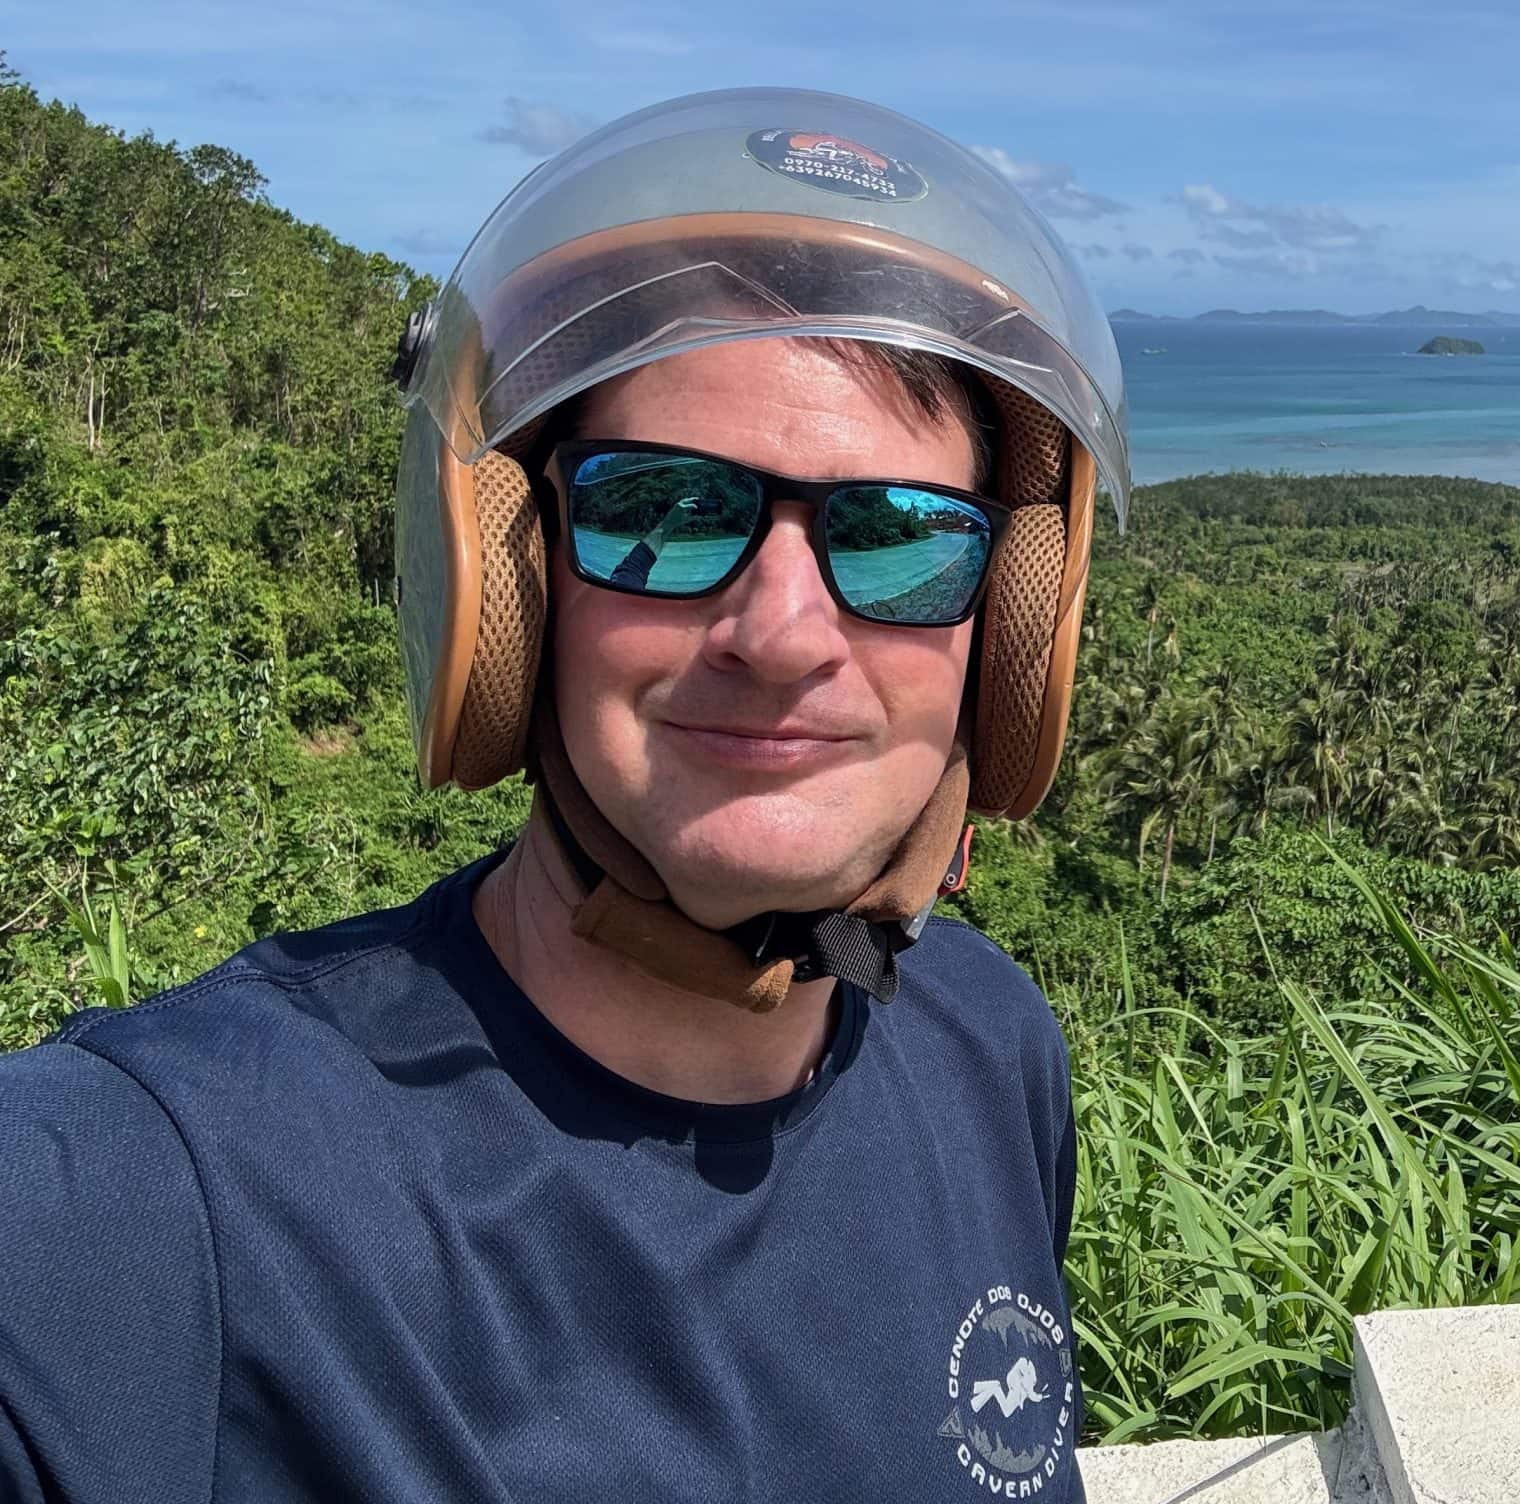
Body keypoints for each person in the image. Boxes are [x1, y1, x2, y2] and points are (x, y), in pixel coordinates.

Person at [0, 91, 1131, 1502]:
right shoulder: (171, 1191)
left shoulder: (990, 1048)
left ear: (1004, 628)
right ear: (519, 587)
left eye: (900, 538)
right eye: (665, 510)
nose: (780, 635)